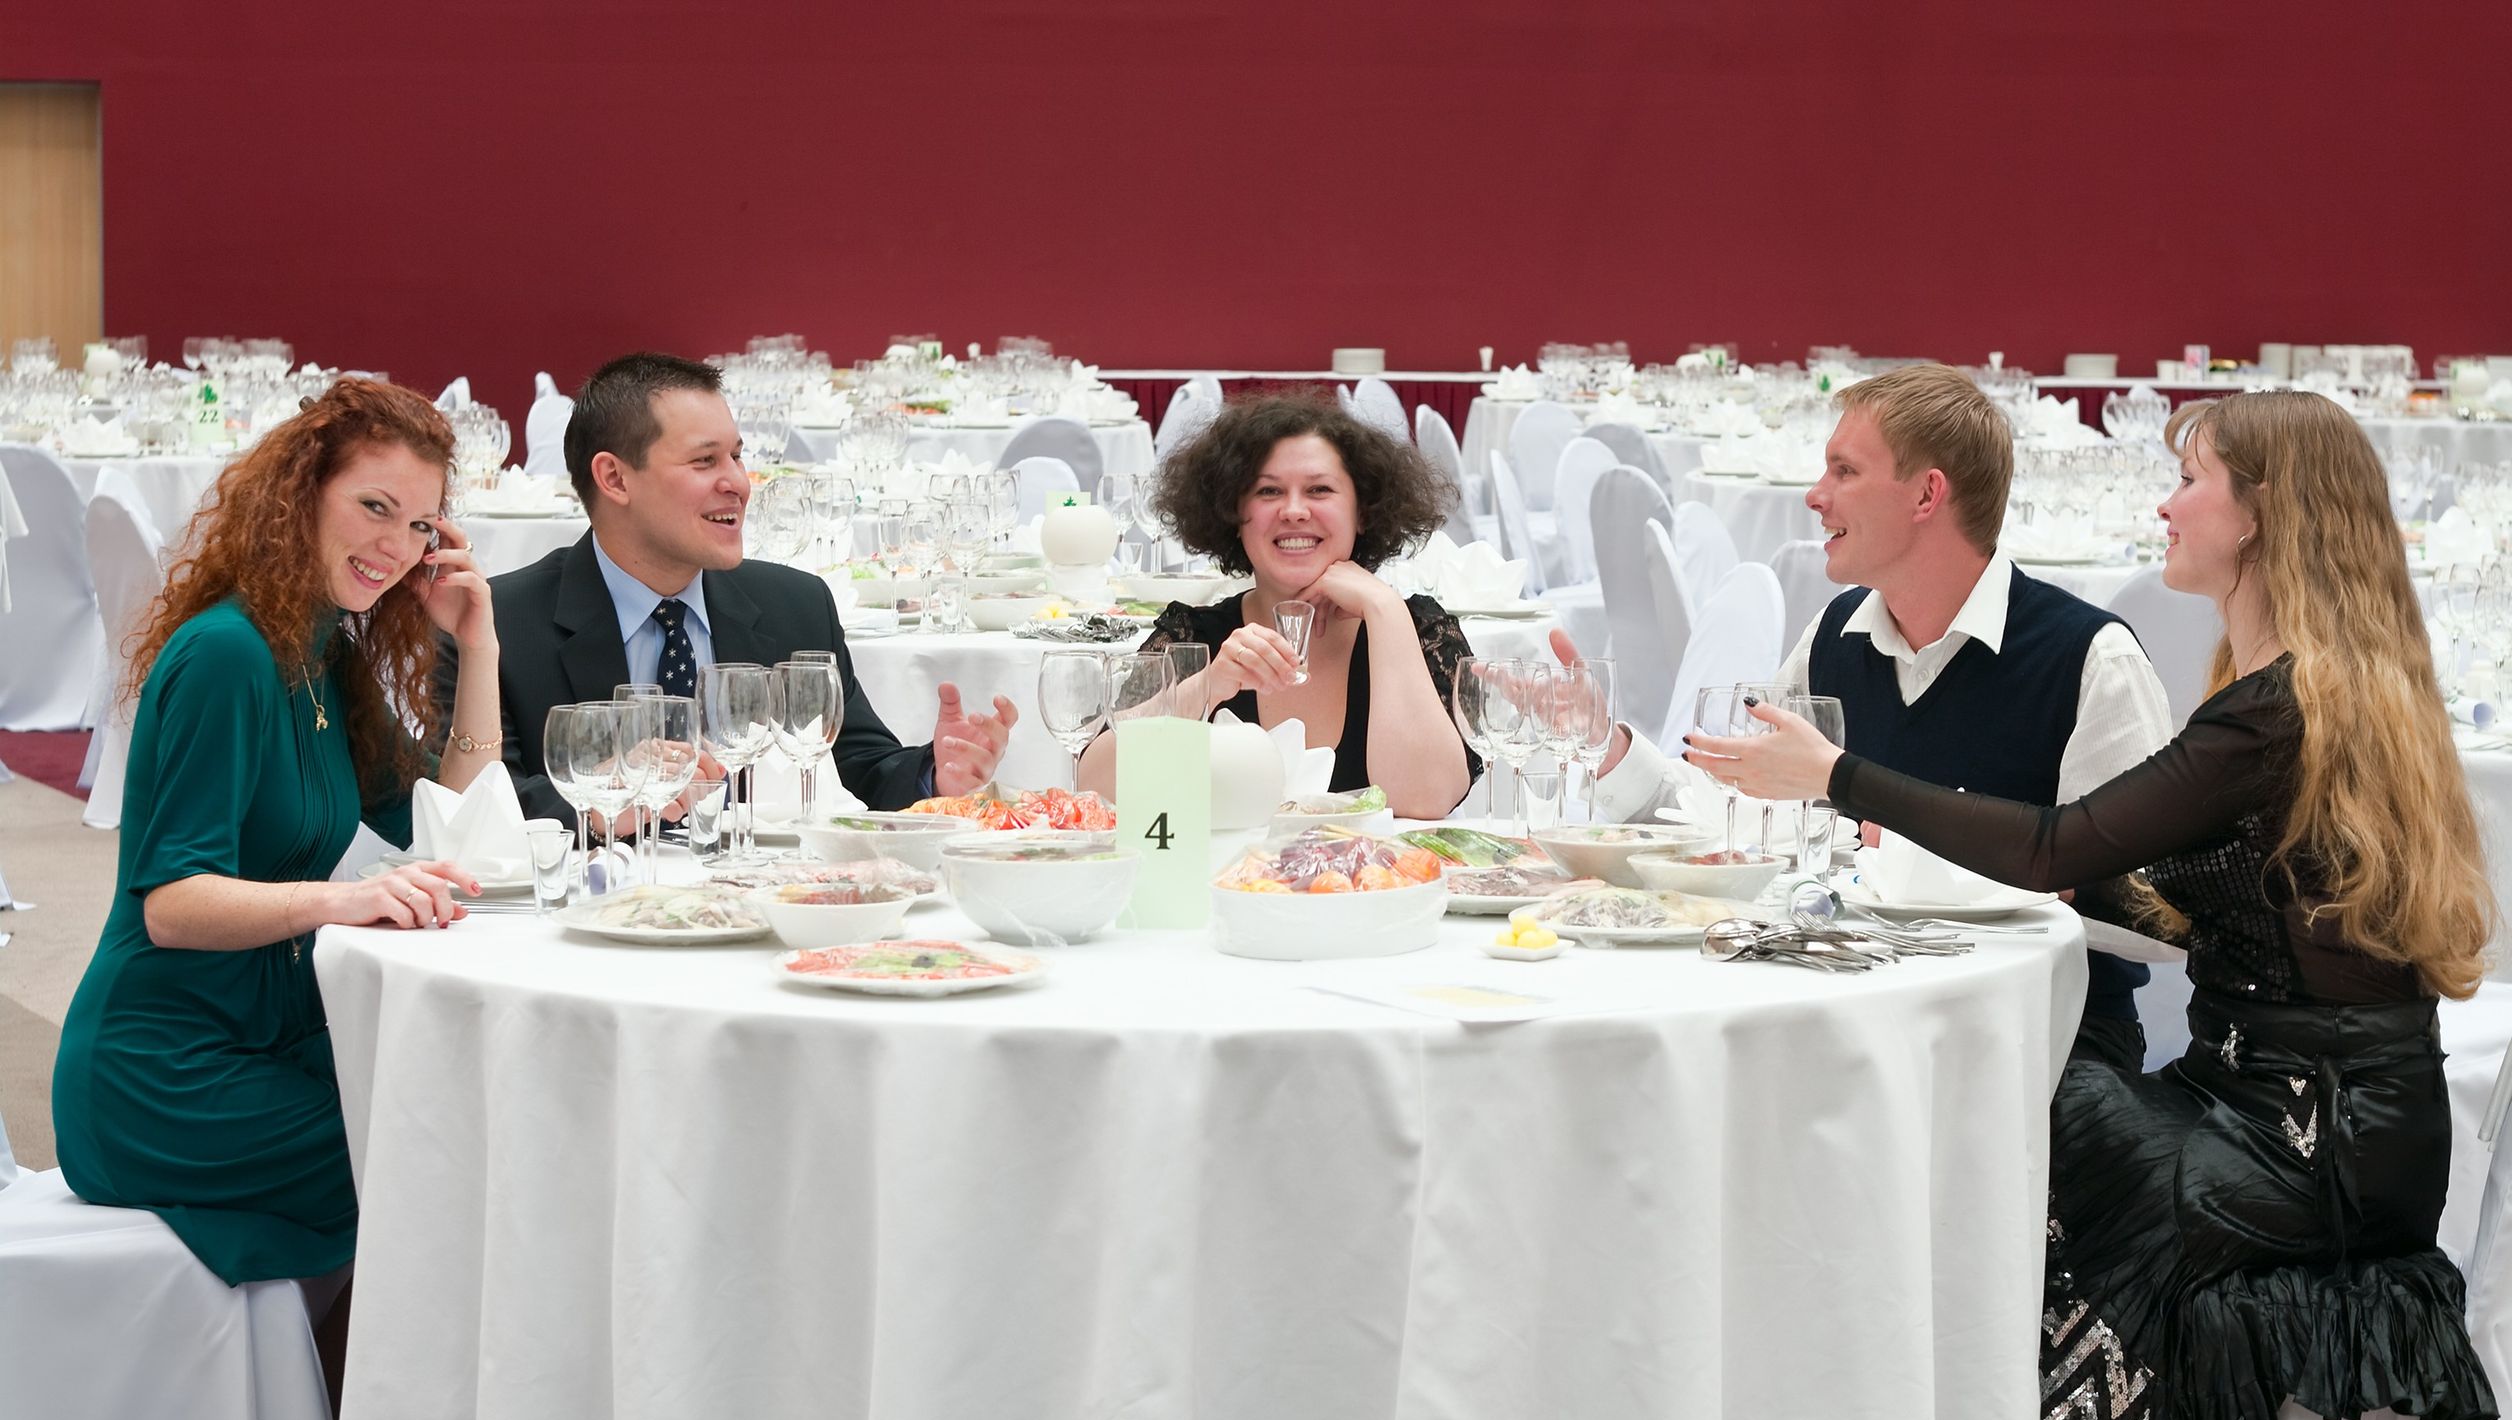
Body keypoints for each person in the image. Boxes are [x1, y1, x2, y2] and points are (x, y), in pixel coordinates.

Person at [1687, 390, 2498, 1420]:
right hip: (2319, 1113)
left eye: (2189, 481)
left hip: (2305, 1145)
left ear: (2258, 514)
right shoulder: (2318, 689)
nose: (2163, 507)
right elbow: (2190, 903)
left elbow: (2058, 841)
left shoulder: (2276, 712)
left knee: (1981, 1113)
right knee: (1979, 1108)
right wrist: (2027, 868)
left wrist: (1840, 777)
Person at [1575, 364, 2175, 1069]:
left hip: (2035, 1040)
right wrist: (1608, 746)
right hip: (1850, 1011)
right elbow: (1730, 818)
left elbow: (2156, 916)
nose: (1814, 495)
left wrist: (1985, 869)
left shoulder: (2088, 660)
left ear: (1927, 493)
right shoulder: (1835, 638)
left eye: (1844, 471)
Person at [53, 378, 503, 1293]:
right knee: (444, 1163)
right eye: (375, 507)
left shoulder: (320, 651)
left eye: (421, 526)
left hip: (274, 1039)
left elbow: (445, 823)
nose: (396, 545)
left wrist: (479, 644)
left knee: (478, 1122)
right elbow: (173, 906)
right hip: (164, 1074)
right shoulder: (228, 654)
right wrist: (348, 898)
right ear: (301, 494)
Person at [435, 352, 1015, 826]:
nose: (738, 482)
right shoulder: (500, 623)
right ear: (614, 478)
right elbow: (481, 802)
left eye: (737, 456)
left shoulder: (793, 606)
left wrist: (935, 774)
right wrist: (607, 799)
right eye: (704, 460)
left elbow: (857, 766)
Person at [1077, 392, 1476, 817]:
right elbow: (1096, 788)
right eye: (1268, 491)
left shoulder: (1419, 632)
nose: (1294, 511)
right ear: (1234, 514)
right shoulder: (1191, 638)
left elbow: (1424, 801)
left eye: (1319, 489)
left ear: (1363, 511)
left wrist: (1383, 607)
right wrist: (1209, 686)